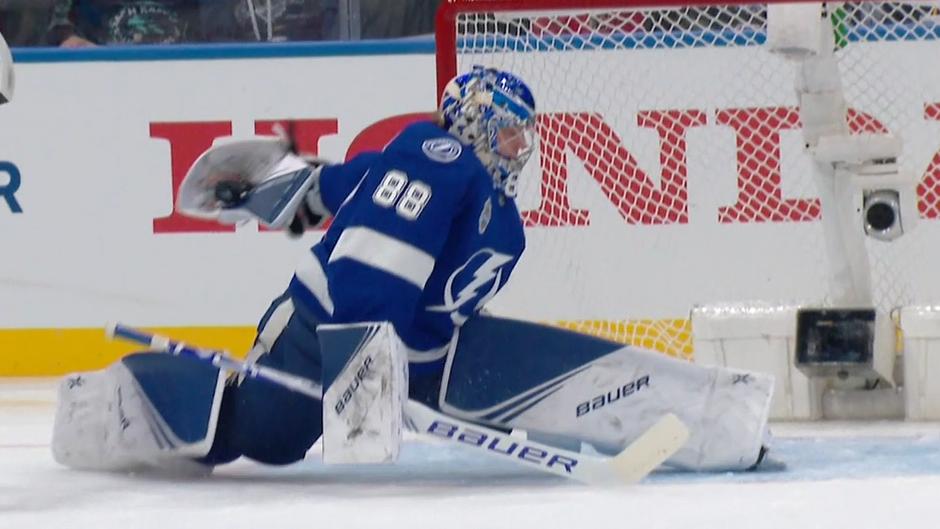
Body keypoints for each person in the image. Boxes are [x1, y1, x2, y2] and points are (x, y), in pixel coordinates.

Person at [51, 66, 773, 474]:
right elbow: (377, 258)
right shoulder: (441, 155)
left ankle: (719, 421)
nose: (521, 147)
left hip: (425, 351)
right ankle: (119, 399)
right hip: (328, 335)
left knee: (511, 356)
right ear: (474, 124)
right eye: (509, 131)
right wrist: (368, 369)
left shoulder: (488, 205)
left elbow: (343, 187)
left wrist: (270, 188)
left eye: (527, 134)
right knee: (265, 440)